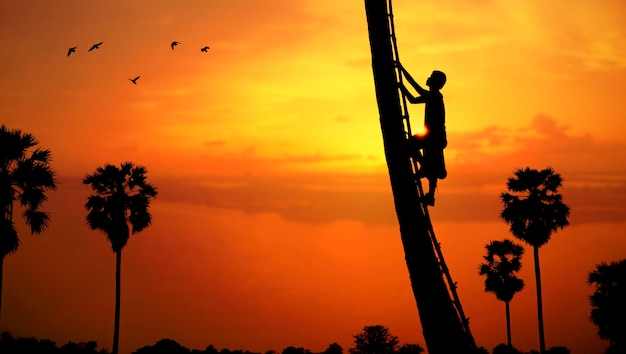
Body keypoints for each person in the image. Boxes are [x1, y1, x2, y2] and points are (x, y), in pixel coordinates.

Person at [397, 63, 447, 206]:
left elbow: (415, 91)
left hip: (434, 137)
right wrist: (401, 80)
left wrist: (401, 76)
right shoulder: (433, 96)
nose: (428, 78)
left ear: (435, 82)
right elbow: (413, 98)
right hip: (436, 137)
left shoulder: (434, 96)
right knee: (434, 164)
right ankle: (430, 195)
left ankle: (424, 166)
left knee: (409, 145)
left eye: (431, 77)